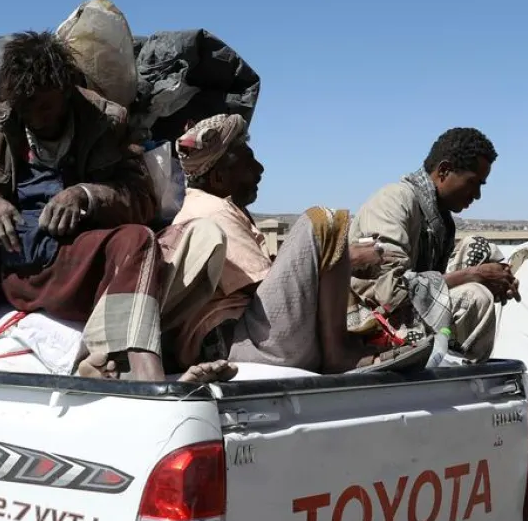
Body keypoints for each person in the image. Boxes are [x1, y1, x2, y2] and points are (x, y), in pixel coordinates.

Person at [0, 30, 233, 383]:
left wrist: (86, 195)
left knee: (203, 237)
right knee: (135, 241)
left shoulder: (105, 122)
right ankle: (146, 374)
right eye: (25, 106)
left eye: (45, 105)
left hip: (87, 265)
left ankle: (114, 360)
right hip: (25, 269)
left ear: (66, 91)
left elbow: (140, 197)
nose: (36, 116)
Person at [167, 114, 397, 373]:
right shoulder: (212, 211)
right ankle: (338, 354)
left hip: (248, 339)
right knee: (324, 222)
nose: (260, 169)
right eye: (248, 162)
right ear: (219, 177)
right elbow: (266, 284)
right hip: (245, 346)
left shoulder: (209, 207)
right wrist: (348, 258)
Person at [349, 126, 517, 361]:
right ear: (444, 170)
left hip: (410, 314)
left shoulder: (441, 221)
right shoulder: (394, 200)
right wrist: (472, 276)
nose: (477, 195)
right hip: (372, 324)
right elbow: (390, 293)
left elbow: (429, 286)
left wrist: (494, 279)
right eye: (473, 183)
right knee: (475, 297)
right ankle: (458, 381)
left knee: (478, 247)